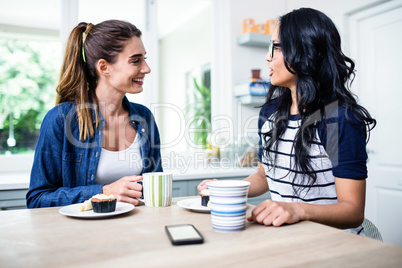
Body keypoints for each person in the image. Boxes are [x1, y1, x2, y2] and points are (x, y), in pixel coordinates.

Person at [198, 8, 376, 235]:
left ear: (305, 51)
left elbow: (352, 211)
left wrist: (297, 210)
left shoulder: (335, 120)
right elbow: (263, 177)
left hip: (334, 245)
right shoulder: (271, 113)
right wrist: (226, 188)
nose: (267, 56)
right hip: (288, 239)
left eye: (276, 47)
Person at [26, 20, 162, 208]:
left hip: (136, 230)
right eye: (136, 60)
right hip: (82, 235)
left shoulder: (144, 118)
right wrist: (104, 192)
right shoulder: (61, 119)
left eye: (144, 59)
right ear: (104, 67)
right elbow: (37, 199)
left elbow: (155, 188)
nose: (146, 68)